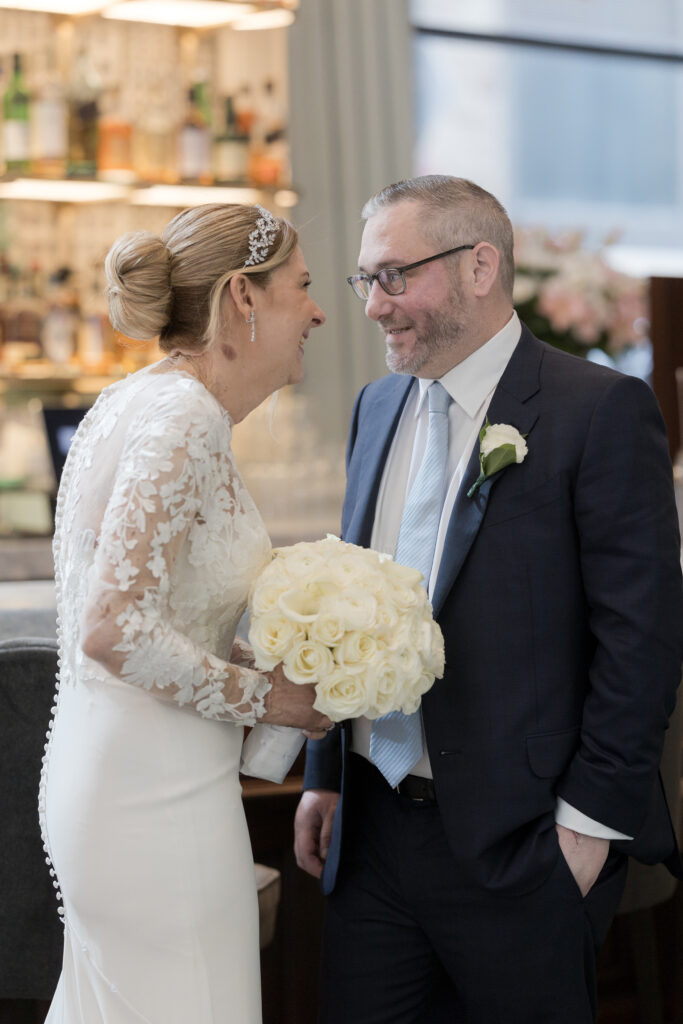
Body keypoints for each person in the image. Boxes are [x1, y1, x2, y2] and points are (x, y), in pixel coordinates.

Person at [294, 176, 683, 1023]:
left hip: (524, 840)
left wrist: (582, 833)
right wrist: (325, 774)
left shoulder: (598, 410)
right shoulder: (376, 406)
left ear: (479, 265)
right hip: (370, 837)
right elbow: (350, 612)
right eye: (365, 279)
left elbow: (642, 641)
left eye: (395, 276)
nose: (372, 306)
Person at [40, 202, 329, 1024]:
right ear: (243, 296)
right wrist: (273, 701)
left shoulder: (138, 401)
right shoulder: (184, 417)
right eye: (301, 287)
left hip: (127, 774)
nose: (314, 310)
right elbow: (111, 628)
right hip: (154, 800)